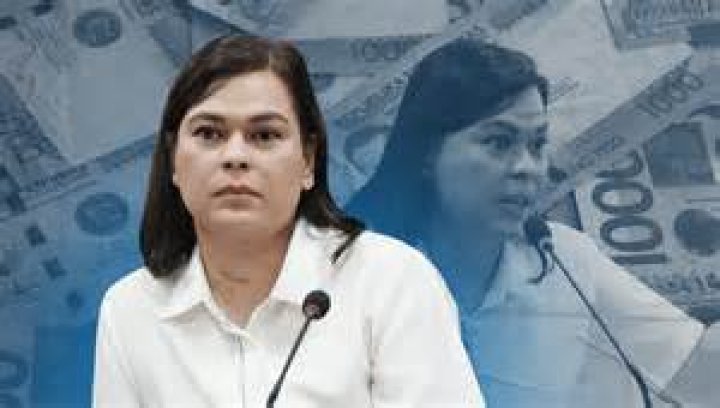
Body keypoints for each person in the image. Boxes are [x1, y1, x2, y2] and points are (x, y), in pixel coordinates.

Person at [92, 35, 483, 407]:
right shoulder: (131, 308)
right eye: (209, 133)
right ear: (173, 160)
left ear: (308, 160)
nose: (235, 157)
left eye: (264, 135)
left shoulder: (392, 281)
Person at [348, 38, 720, 407]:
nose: (527, 168)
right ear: (427, 152)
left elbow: (697, 371)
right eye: (499, 142)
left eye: (537, 145)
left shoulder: (564, 259)